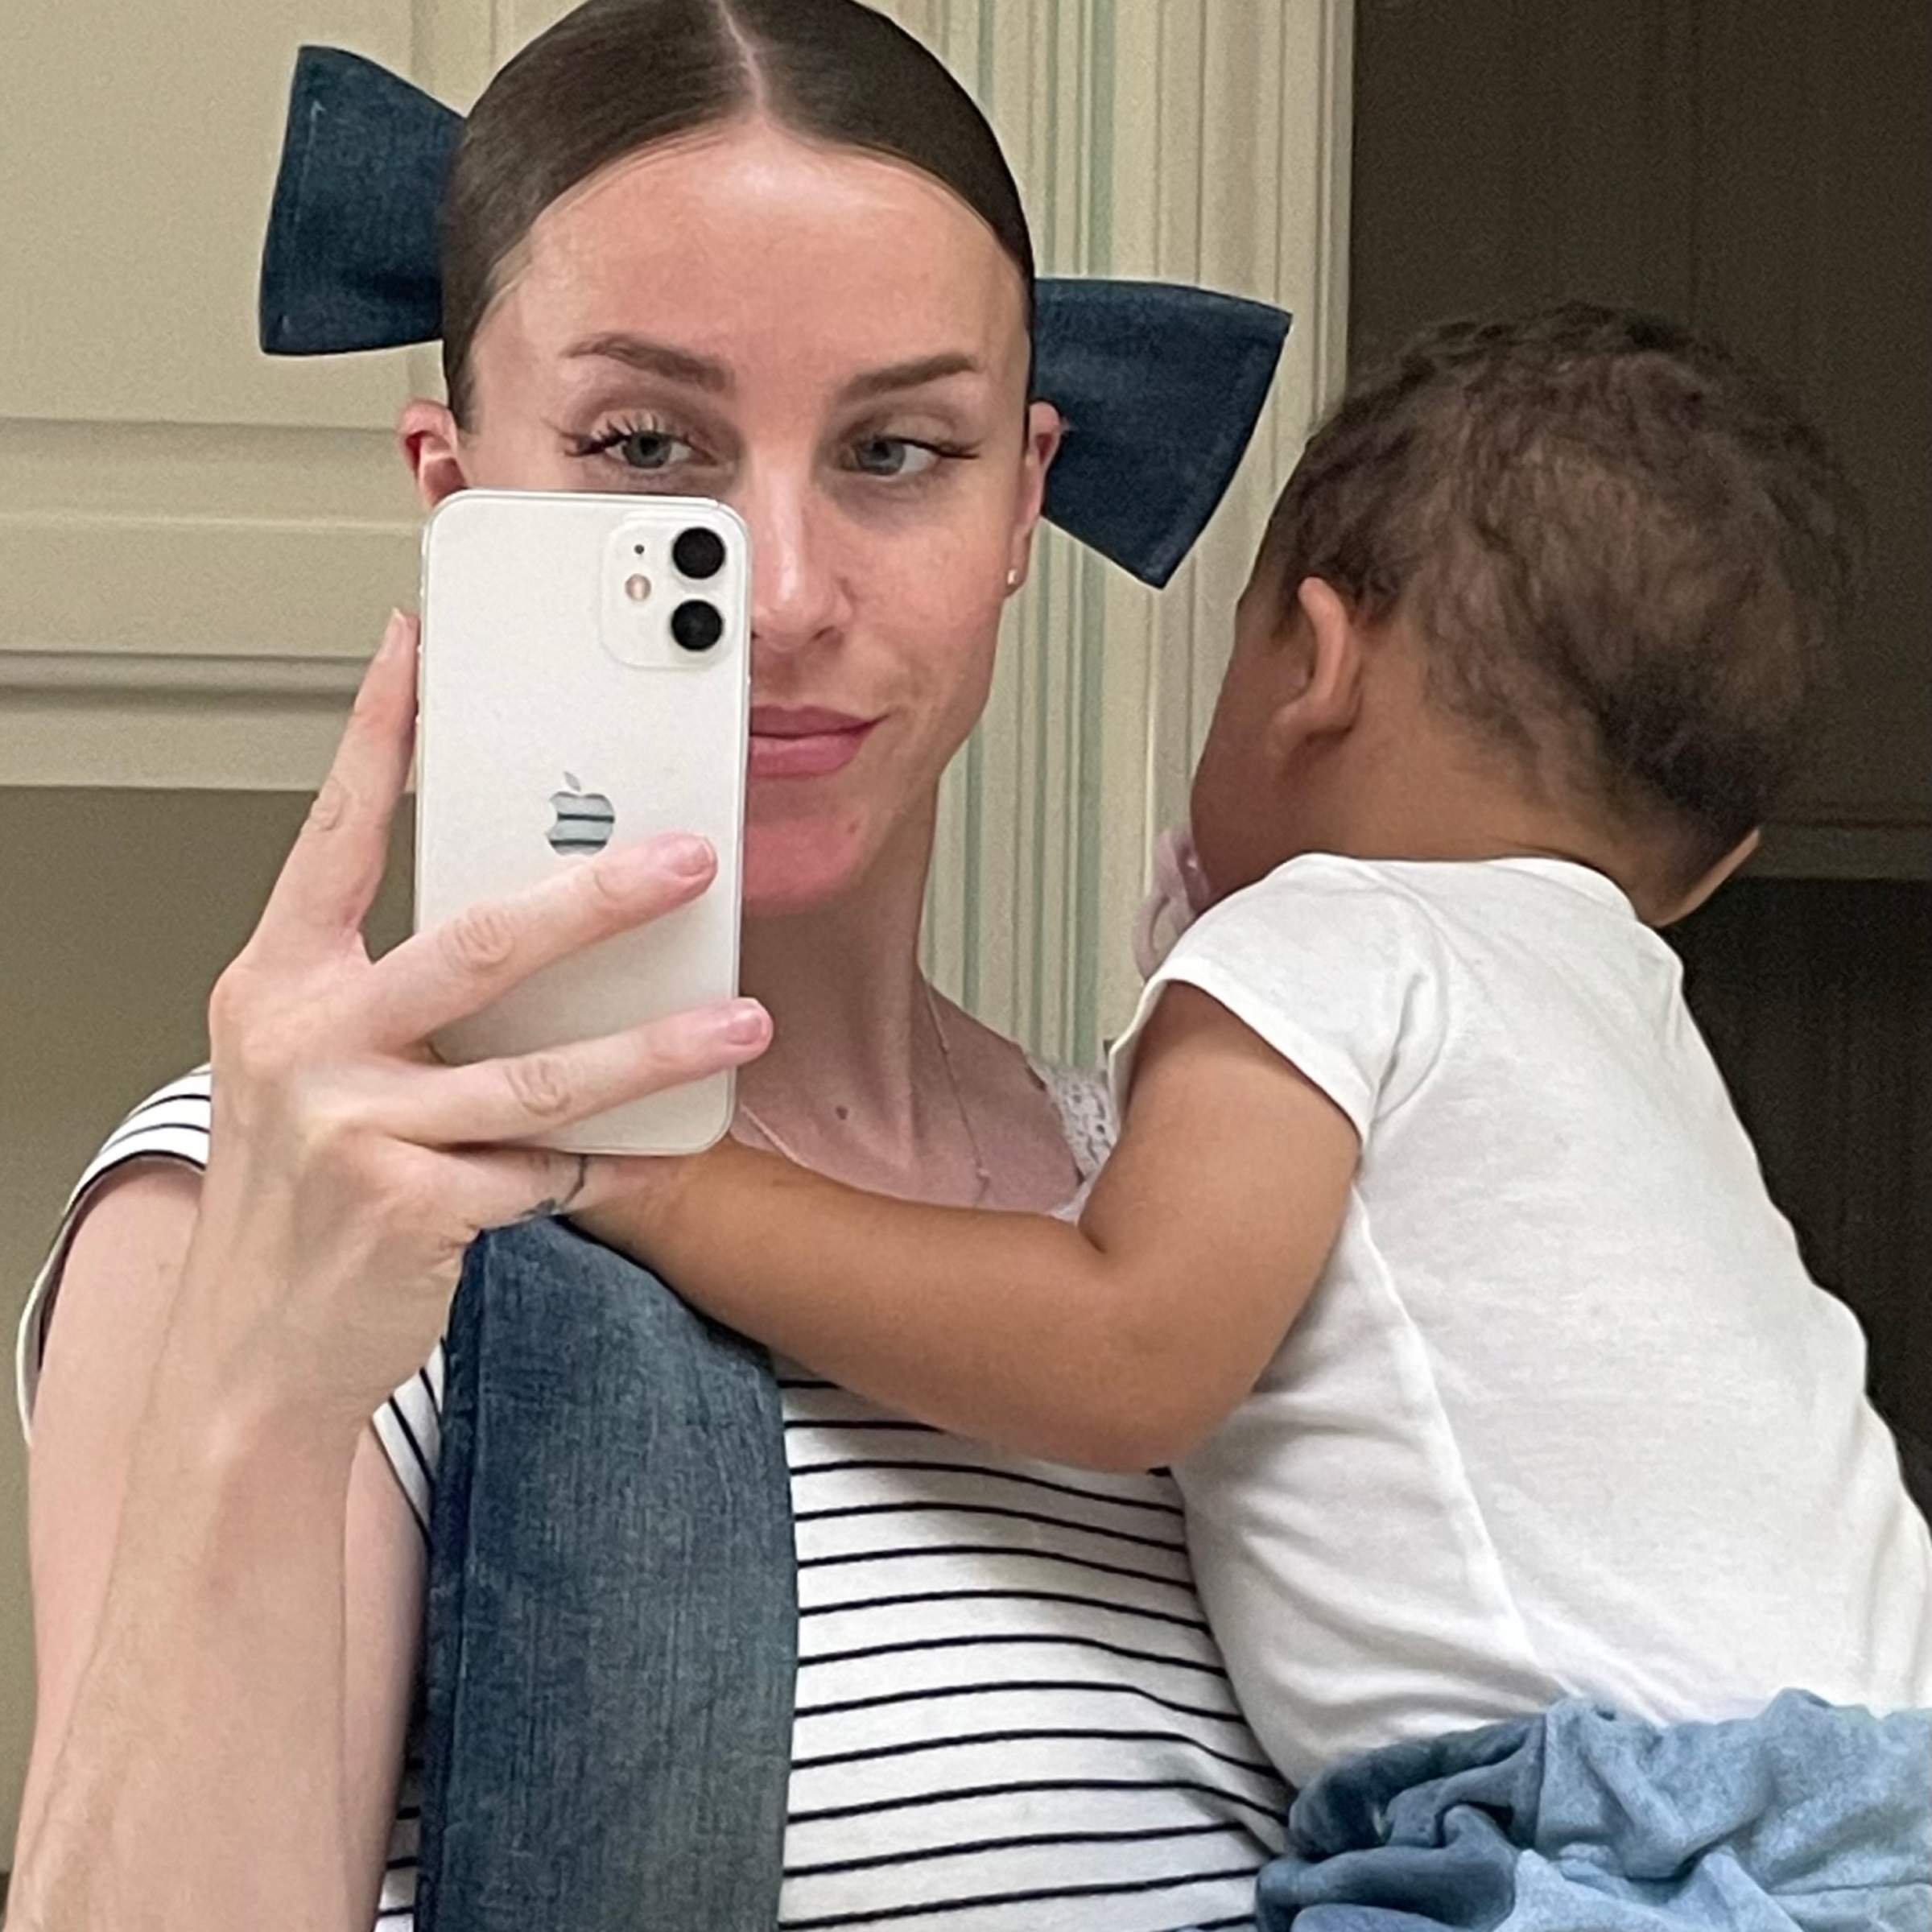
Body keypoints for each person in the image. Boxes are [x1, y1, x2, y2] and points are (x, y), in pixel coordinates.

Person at [6, 2, 1292, 1927]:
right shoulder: (279, 1201)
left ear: (1024, 500)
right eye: (644, 445)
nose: (777, 591)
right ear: (458, 489)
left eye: (896, 449)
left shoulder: (1190, 1204)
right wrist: (261, 1394)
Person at [583, 306, 1932, 1926]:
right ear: (1714, 867)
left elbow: (1125, 1350)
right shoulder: (1627, 1021)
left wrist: (669, 1182)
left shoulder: (1332, 935)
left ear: (1317, 659)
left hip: (1600, 1845)